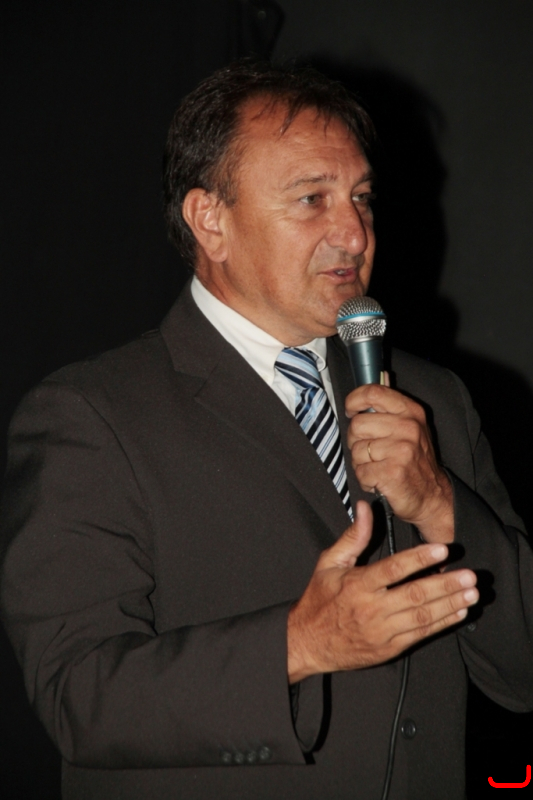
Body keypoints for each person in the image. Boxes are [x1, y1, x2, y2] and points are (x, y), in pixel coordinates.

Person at [1, 61, 532, 800]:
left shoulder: (433, 399)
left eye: (362, 198)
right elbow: (79, 695)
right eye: (312, 199)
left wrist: (441, 501)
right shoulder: (92, 415)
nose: (354, 232)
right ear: (210, 221)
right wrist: (300, 645)